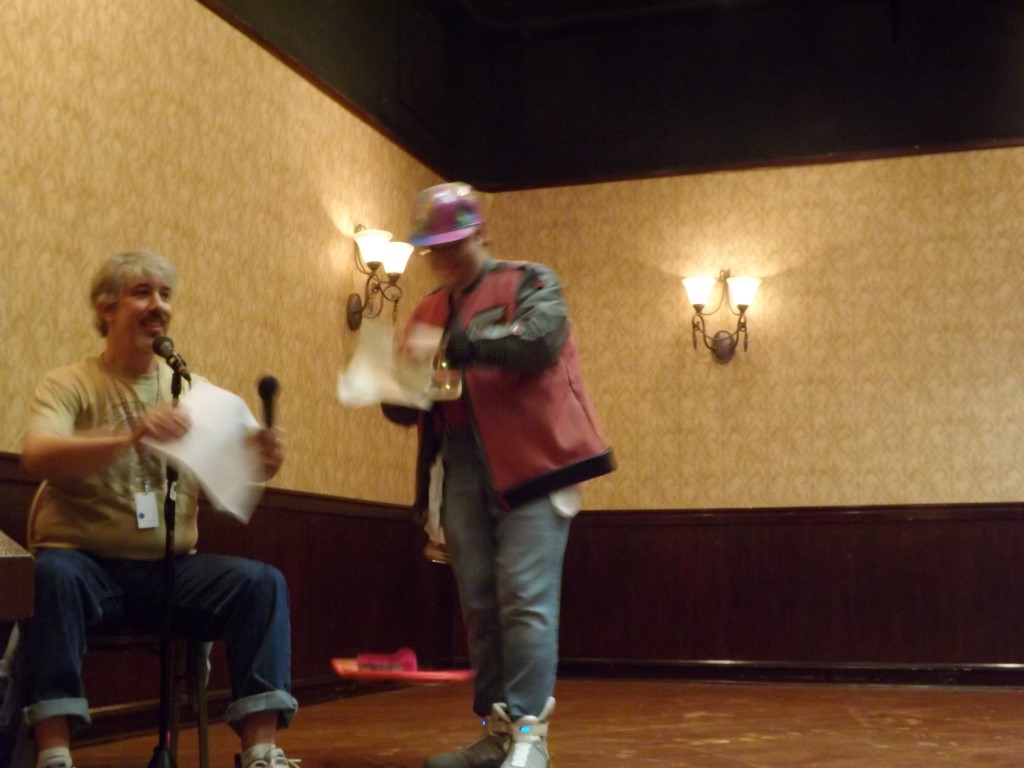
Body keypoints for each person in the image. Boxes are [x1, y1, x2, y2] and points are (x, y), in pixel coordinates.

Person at [18, 251, 298, 768]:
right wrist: (129, 437)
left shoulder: (189, 390)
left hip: (170, 570)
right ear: (106, 308)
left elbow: (235, 476)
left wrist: (262, 457)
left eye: (166, 295)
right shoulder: (70, 382)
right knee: (49, 576)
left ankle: (262, 752)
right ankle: (54, 755)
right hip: (84, 565)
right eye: (142, 292)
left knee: (262, 584)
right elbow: (37, 455)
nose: (159, 305)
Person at [387, 182, 616, 768]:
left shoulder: (529, 282)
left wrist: (469, 344)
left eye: (454, 242)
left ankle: (530, 738)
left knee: (525, 600)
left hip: (536, 460)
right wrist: (392, 388)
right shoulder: (427, 310)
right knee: (481, 605)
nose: (444, 256)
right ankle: (498, 733)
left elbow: (541, 340)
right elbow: (411, 403)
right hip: (460, 462)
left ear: (480, 233)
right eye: (434, 248)